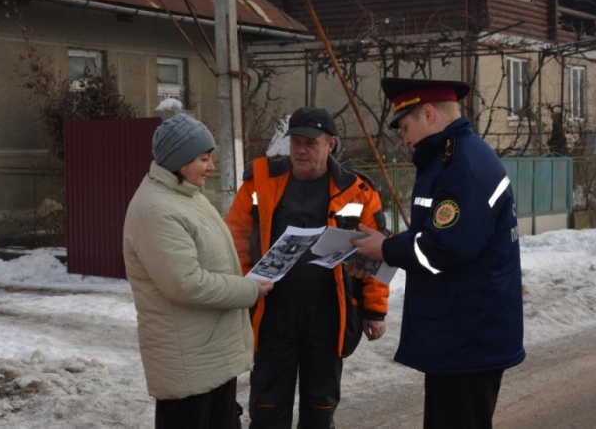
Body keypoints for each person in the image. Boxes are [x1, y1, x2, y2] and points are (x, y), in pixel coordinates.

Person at [350, 79, 526, 429]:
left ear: (428, 113)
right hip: (460, 332)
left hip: (468, 336)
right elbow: (440, 234)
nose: (404, 138)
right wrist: (388, 244)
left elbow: (445, 248)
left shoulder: (462, 165)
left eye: (405, 126)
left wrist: (385, 248)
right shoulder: (450, 158)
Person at [225, 107, 390, 429]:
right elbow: (236, 240)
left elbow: (375, 254)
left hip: (328, 313)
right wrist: (243, 291)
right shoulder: (259, 182)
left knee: (321, 404)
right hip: (273, 311)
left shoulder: (358, 191)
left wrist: (375, 311)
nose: (301, 150)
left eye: (311, 143)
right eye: (296, 141)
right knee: (267, 403)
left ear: (331, 144)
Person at [123, 114, 273, 429]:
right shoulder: (157, 210)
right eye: (204, 159)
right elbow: (185, 283)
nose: (211, 167)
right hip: (187, 366)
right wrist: (248, 289)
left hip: (210, 358)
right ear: (179, 161)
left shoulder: (187, 196)